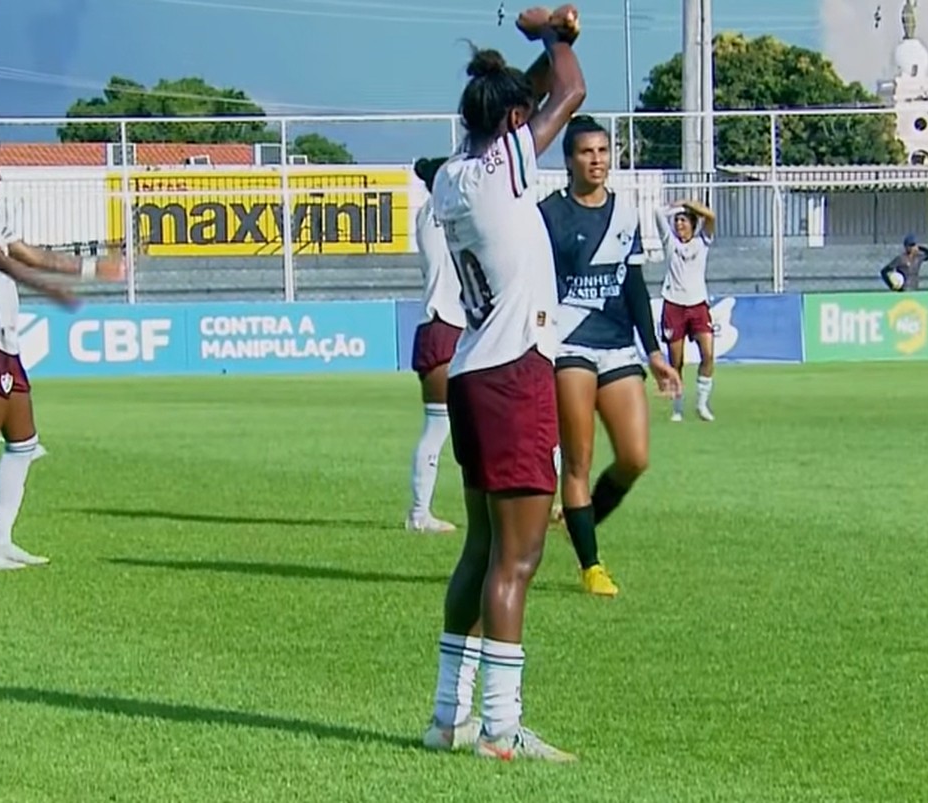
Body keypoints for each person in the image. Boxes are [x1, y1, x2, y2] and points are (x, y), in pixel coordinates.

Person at [421, 5, 586, 762]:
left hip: (472, 370)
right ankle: (499, 725)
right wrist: (554, 32)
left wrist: (529, 54)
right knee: (518, 561)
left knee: (480, 550)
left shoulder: (451, 178)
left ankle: (446, 714)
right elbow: (572, 92)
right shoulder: (505, 165)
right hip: (518, 369)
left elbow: (537, 101)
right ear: (513, 119)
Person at [0, 122, 124, 570]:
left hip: (3, 338)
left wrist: (89, 272)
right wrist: (52, 291)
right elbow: (2, 263)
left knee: (24, 442)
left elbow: (31, 254)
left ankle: (1, 539)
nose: (0, 175)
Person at [539, 116, 681, 598]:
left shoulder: (625, 212)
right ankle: (591, 565)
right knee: (577, 463)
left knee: (635, 458)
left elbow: (635, 285)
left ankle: (578, 521)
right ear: (568, 160)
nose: (596, 160)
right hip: (569, 344)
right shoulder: (549, 213)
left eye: (602, 151)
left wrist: (655, 352)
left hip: (618, 345)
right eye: (586, 152)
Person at [406, 156, 464, 534]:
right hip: (454, 325)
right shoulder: (454, 215)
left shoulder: (425, 216)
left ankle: (419, 513)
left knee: (438, 427)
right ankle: (418, 515)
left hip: (435, 327)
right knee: (446, 428)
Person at [655, 198, 717, 423]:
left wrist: (688, 203)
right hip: (674, 305)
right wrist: (672, 207)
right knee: (676, 361)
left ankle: (702, 404)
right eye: (677, 220)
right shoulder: (670, 243)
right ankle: (678, 407)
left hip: (698, 305)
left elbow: (710, 216)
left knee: (708, 354)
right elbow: (657, 213)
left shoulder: (702, 241)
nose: (679, 224)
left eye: (683, 220)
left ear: (692, 223)